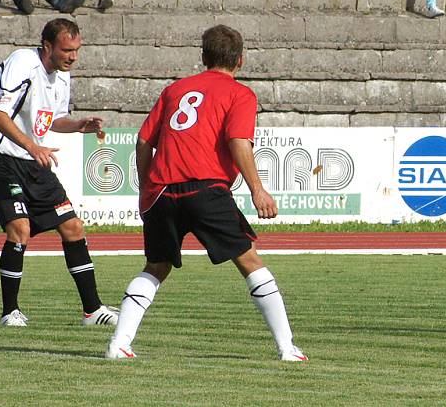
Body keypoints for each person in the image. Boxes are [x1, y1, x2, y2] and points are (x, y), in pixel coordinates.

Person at [106, 25, 307, 362]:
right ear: (241, 59)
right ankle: (287, 348)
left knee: (155, 266)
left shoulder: (175, 90)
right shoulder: (240, 94)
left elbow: (143, 141)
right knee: (249, 260)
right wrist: (258, 189)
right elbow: (238, 142)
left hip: (161, 192)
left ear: (203, 56)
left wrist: (145, 188)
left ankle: (118, 344)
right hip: (204, 188)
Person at [0, 18, 118, 327]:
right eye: (67, 50)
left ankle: (92, 311)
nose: (73, 57)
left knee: (73, 226)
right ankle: (10, 311)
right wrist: (33, 147)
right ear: (48, 46)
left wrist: (78, 126)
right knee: (20, 229)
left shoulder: (62, 77)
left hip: (30, 160)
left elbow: (52, 121)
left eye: (77, 50)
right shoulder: (23, 62)